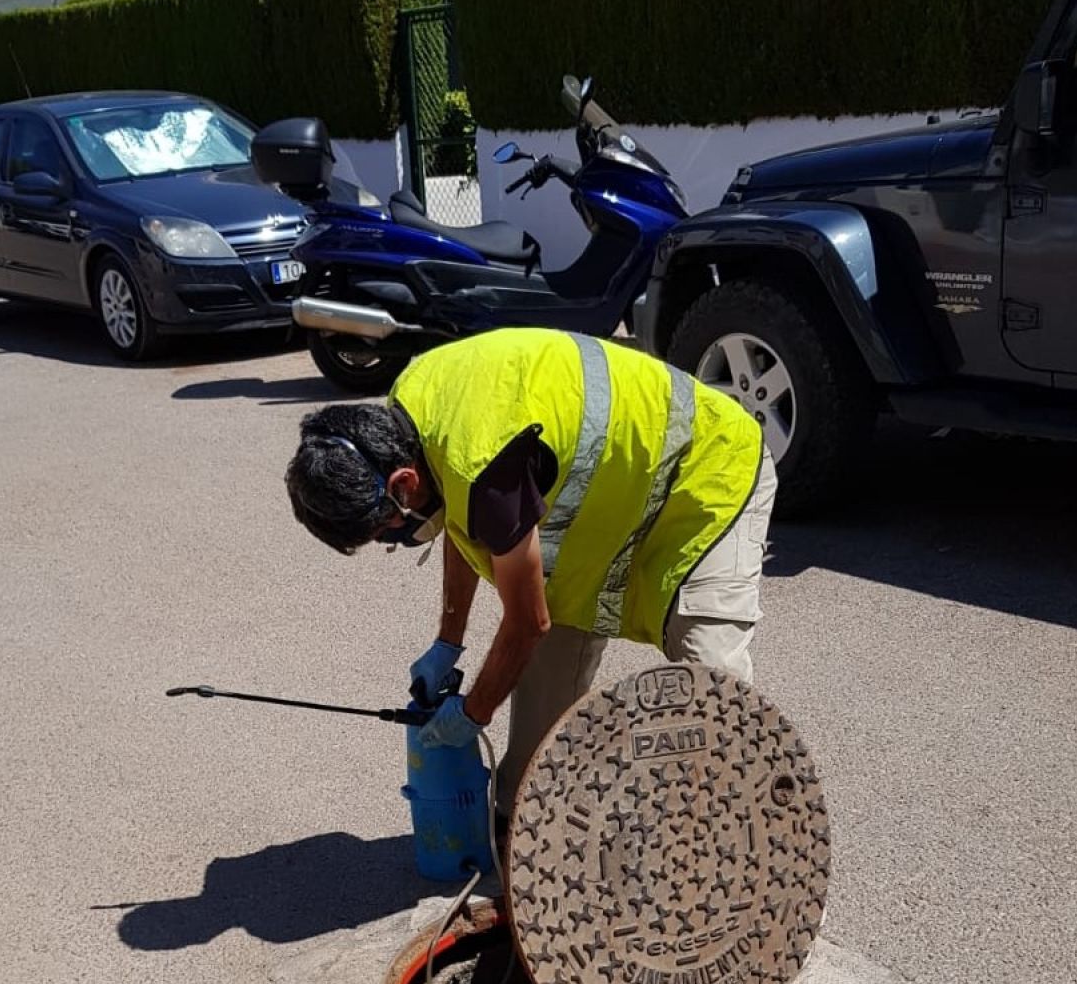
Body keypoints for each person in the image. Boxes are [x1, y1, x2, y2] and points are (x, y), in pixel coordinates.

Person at [285, 327, 775, 816]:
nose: (394, 537)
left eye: (385, 529)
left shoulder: (485, 466)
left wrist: (473, 712)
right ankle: (538, 833)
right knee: (530, 777)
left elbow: (528, 623)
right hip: (617, 501)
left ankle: (741, 824)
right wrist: (447, 643)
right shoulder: (408, 417)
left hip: (706, 472)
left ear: (403, 483)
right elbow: (461, 520)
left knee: (711, 681)